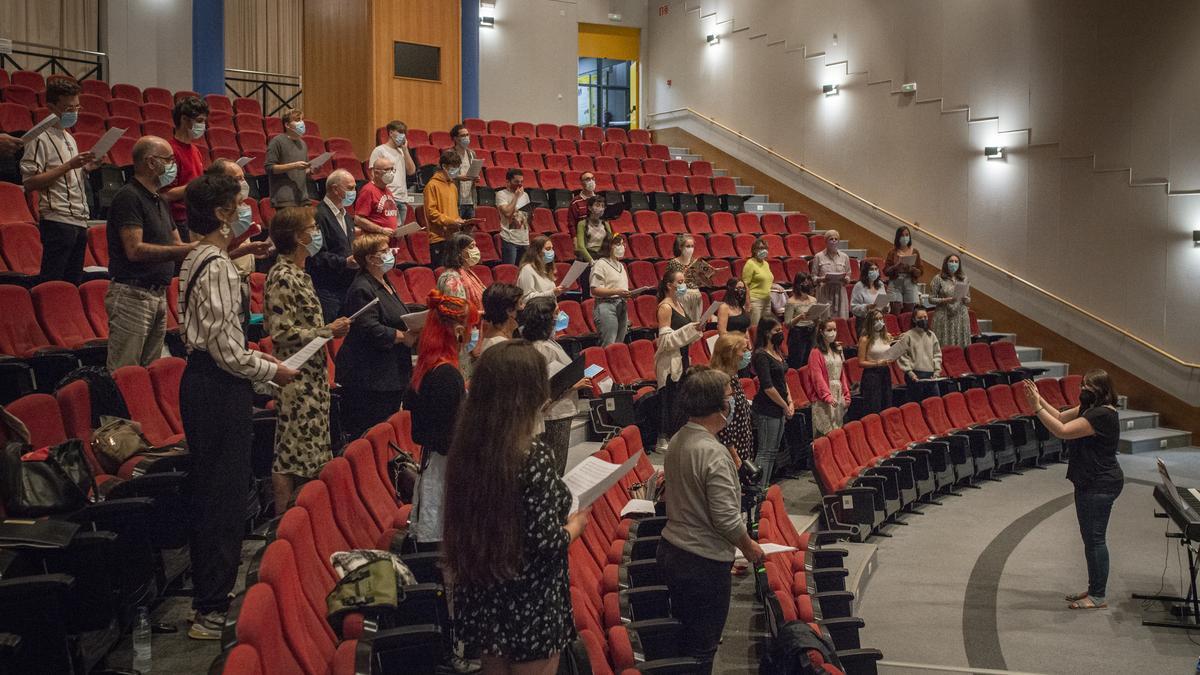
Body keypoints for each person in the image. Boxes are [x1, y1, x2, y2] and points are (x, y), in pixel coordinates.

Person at [178, 174, 298, 639]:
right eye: (241, 204)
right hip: (217, 387)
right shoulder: (220, 267)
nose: (249, 211)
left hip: (206, 381)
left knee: (214, 494)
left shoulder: (197, 259)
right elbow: (227, 352)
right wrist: (272, 371)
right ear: (224, 213)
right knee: (222, 499)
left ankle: (210, 599)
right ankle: (210, 608)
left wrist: (259, 359)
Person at [443, 341, 589, 673]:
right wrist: (575, 527)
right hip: (530, 598)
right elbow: (545, 542)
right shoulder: (531, 454)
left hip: (485, 588)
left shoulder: (468, 447)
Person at [658, 367, 765, 674]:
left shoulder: (678, 439)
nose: (733, 403)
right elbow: (726, 519)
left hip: (673, 550)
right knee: (702, 651)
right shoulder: (714, 453)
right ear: (717, 406)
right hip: (701, 563)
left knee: (685, 642)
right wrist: (749, 547)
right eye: (730, 397)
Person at [264, 207, 351, 514]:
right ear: (299, 237)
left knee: (312, 454)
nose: (317, 233)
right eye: (313, 228)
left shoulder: (301, 273)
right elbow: (281, 331)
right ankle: (283, 522)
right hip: (294, 378)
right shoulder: (283, 276)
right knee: (290, 454)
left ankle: (308, 518)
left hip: (312, 377)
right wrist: (328, 330)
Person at [1022, 370, 1123, 610]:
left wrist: (1036, 408)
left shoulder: (1102, 415)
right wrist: (1039, 398)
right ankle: (1094, 587)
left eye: (1089, 386)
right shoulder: (1091, 410)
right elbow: (1059, 416)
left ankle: (1098, 595)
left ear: (1102, 390)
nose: (1083, 390)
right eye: (1082, 385)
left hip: (1100, 482)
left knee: (1095, 539)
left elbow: (1062, 431)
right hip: (1091, 480)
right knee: (1090, 538)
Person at [104, 136, 196, 370]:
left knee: (151, 371)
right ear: (151, 162)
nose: (173, 165)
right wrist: (190, 248)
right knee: (126, 371)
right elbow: (134, 250)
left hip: (158, 294)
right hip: (133, 294)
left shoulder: (160, 200)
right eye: (169, 160)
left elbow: (177, 246)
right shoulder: (129, 196)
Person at [404, 291, 476, 547]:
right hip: (446, 467)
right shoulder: (446, 375)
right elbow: (449, 437)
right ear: (457, 331)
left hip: (436, 462)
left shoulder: (428, 366)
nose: (472, 334)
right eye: (469, 328)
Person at [335, 234, 417, 441]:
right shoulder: (362, 287)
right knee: (372, 434)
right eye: (385, 251)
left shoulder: (384, 281)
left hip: (391, 371)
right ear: (371, 259)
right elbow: (369, 328)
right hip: (370, 377)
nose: (391, 254)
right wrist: (402, 336)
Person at [20, 77, 96, 284]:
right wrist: (69, 165)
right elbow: (29, 183)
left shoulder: (69, 137)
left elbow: (69, 175)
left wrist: (86, 168)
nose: (74, 113)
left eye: (77, 107)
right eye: (68, 108)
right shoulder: (39, 137)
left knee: (72, 284)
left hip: (79, 217)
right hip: (56, 219)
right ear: (51, 107)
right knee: (53, 283)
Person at [522, 297, 590, 475]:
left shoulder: (549, 342)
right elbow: (546, 387)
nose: (559, 317)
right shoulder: (540, 348)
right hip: (553, 414)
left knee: (558, 465)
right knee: (554, 468)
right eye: (556, 314)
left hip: (561, 411)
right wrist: (573, 385)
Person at [654, 269, 703, 448]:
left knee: (679, 400)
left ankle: (677, 435)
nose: (684, 285)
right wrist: (691, 329)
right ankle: (664, 437)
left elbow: (685, 333)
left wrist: (695, 329)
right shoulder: (665, 307)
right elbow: (665, 340)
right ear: (669, 285)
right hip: (669, 360)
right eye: (680, 281)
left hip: (682, 356)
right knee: (669, 399)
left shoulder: (680, 304)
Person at [308, 170, 359, 322]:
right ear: (335, 189)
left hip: (346, 287)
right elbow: (315, 255)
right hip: (327, 290)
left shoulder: (347, 216)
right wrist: (345, 262)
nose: (354, 192)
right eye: (350, 188)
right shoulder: (318, 215)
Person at [751, 317, 793, 490]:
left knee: (773, 451)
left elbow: (783, 380)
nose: (780, 333)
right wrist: (784, 405)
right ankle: (758, 488)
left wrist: (790, 401)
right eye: (776, 331)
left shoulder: (777, 351)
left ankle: (765, 486)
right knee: (765, 452)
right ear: (767, 333)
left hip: (780, 406)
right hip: (767, 408)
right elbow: (768, 387)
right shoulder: (761, 355)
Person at [437, 233, 486, 377]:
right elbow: (455, 312)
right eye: (471, 247)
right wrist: (480, 313)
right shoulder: (451, 277)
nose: (476, 250)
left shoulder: (468, 273)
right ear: (459, 252)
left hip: (473, 329)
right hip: (459, 338)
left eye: (475, 246)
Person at [161, 96, 209, 241]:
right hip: (177, 220)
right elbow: (165, 194)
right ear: (184, 120)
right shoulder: (169, 151)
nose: (203, 126)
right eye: (199, 121)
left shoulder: (196, 150)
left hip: (195, 217)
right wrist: (197, 186)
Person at [709, 332, 753, 466]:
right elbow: (722, 423)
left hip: (742, 441)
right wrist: (733, 453)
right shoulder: (720, 381)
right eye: (743, 351)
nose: (747, 354)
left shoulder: (733, 376)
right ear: (730, 354)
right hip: (730, 449)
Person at [805, 319, 850, 437]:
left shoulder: (836, 349)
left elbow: (842, 374)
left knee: (837, 431)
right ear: (821, 332)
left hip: (838, 393)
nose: (833, 333)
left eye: (835, 329)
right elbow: (817, 378)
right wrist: (827, 396)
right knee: (825, 434)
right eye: (829, 330)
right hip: (823, 398)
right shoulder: (815, 352)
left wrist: (846, 394)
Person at [424, 149, 470, 266]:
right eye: (453, 166)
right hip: (438, 239)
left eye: (457, 167)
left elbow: (453, 211)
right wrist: (451, 221)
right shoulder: (432, 185)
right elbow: (431, 213)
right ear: (444, 166)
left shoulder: (453, 186)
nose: (456, 170)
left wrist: (459, 220)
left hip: (453, 237)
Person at [369, 120, 418, 225]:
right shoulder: (379, 150)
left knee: (399, 235)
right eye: (399, 132)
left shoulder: (402, 151)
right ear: (391, 133)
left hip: (402, 198)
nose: (402, 135)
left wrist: (405, 150)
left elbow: (411, 171)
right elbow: (373, 175)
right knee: (390, 231)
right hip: (388, 198)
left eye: (404, 133)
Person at [589, 233, 631, 346]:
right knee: (609, 344)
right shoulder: (600, 264)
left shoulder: (620, 265)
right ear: (609, 245)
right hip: (606, 306)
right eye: (617, 244)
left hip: (621, 305)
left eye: (622, 244)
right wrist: (617, 292)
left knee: (619, 345)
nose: (621, 247)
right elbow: (595, 289)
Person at [265, 108, 311, 207]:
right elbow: (269, 168)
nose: (302, 123)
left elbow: (302, 170)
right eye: (298, 120)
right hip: (284, 199)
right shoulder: (277, 141)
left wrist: (311, 170)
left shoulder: (303, 144)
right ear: (287, 125)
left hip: (302, 198)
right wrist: (294, 165)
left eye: (302, 119)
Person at [896, 307, 942, 402]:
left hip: (931, 376)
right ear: (914, 319)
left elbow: (937, 354)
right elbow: (902, 356)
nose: (923, 320)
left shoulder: (931, 335)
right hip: (915, 375)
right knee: (916, 406)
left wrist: (937, 371)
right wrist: (910, 373)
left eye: (925, 317)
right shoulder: (907, 336)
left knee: (935, 403)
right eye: (920, 318)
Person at [856, 308, 896, 415]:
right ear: (870, 322)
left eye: (881, 318)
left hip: (885, 373)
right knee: (874, 407)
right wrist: (878, 363)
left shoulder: (886, 336)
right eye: (876, 319)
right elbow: (861, 362)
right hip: (872, 375)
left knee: (886, 405)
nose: (879, 322)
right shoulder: (865, 339)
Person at [930, 254, 971, 348]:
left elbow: (969, 299)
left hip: (961, 316)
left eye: (956, 262)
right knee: (943, 343)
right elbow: (931, 299)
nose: (954, 264)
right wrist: (945, 300)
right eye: (951, 261)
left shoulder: (964, 278)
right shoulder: (938, 278)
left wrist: (965, 298)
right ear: (946, 263)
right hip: (944, 315)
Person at [353, 155, 399, 236]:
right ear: (376, 173)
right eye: (387, 169)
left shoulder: (388, 191)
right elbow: (358, 219)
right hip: (376, 242)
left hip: (390, 242)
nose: (391, 172)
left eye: (392, 169)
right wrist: (381, 230)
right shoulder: (368, 190)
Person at [811, 230, 850, 319]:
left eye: (836, 239)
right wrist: (822, 279)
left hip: (839, 292)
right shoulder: (818, 256)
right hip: (824, 292)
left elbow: (848, 274)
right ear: (826, 241)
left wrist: (846, 279)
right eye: (831, 239)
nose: (833, 241)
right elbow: (813, 277)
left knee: (841, 320)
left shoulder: (845, 257)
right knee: (825, 320)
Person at [495, 168, 531, 265]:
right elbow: (507, 213)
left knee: (524, 271)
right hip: (509, 240)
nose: (519, 184)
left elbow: (527, 217)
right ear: (508, 181)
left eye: (521, 182)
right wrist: (516, 197)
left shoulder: (526, 195)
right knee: (510, 271)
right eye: (516, 182)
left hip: (524, 240)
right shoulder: (501, 194)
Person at [883, 225, 922, 314]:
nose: (905, 237)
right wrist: (896, 266)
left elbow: (920, 271)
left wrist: (911, 269)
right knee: (895, 309)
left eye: (907, 235)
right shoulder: (892, 252)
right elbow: (885, 271)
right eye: (902, 235)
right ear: (898, 237)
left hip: (910, 281)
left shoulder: (915, 252)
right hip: (896, 282)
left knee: (909, 311)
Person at [783, 273, 818, 369]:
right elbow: (787, 324)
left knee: (809, 360)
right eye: (804, 282)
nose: (807, 284)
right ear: (798, 284)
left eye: (808, 282)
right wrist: (799, 317)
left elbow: (815, 320)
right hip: (797, 334)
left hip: (811, 331)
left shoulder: (813, 300)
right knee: (797, 362)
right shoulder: (791, 302)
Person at [479, 283, 523, 353]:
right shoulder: (500, 346)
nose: (523, 307)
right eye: (520, 303)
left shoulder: (498, 334)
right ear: (509, 310)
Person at [516, 234, 562, 302]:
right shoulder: (527, 269)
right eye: (548, 249)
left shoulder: (546, 269)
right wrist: (552, 293)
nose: (552, 252)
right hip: (536, 311)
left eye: (552, 248)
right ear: (537, 251)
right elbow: (526, 298)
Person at [850, 259, 888, 336]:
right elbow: (853, 307)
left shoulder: (880, 284)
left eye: (876, 269)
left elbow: (885, 301)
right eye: (871, 269)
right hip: (864, 322)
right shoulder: (859, 286)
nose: (874, 271)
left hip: (878, 320)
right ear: (866, 271)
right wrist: (867, 307)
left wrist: (886, 307)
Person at [741, 237, 774, 327]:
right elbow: (745, 284)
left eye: (765, 248)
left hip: (767, 300)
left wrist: (775, 286)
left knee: (765, 327)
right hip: (755, 301)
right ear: (754, 250)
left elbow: (766, 280)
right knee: (755, 327)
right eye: (760, 248)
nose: (764, 250)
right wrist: (747, 302)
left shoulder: (766, 264)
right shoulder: (750, 263)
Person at [449, 124, 478, 220]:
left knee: (469, 232)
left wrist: (475, 178)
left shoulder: (472, 154)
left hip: (470, 200)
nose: (466, 137)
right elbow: (449, 174)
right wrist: (466, 177)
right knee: (456, 231)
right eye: (463, 135)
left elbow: (474, 172)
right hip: (456, 200)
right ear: (455, 138)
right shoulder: (450, 154)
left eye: (467, 135)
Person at [574, 195, 613, 264]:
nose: (600, 208)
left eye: (602, 206)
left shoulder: (606, 224)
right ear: (590, 208)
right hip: (589, 258)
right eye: (597, 205)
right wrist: (591, 261)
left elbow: (611, 242)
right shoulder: (582, 224)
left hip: (603, 257)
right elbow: (581, 246)